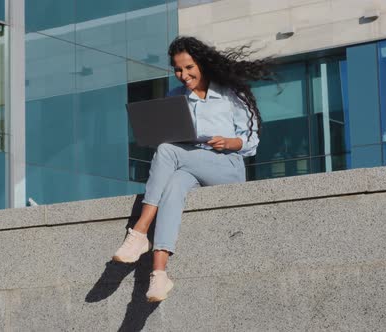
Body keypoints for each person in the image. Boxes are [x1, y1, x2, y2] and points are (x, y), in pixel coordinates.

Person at [112, 36, 274, 302]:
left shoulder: (230, 92)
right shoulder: (176, 97)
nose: (183, 75)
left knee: (166, 150)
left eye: (189, 68)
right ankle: (159, 274)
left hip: (227, 166)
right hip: (189, 164)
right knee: (174, 184)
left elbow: (252, 141)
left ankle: (140, 232)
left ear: (202, 63)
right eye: (178, 69)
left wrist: (229, 142)